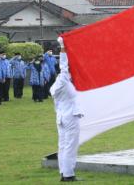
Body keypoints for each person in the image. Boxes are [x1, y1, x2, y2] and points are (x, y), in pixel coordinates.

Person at [50, 37, 83, 182]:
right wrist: (63, 47)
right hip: (70, 116)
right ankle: (69, 174)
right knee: (70, 146)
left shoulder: (55, 87)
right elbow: (63, 66)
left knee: (63, 145)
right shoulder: (63, 80)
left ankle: (64, 172)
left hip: (61, 116)